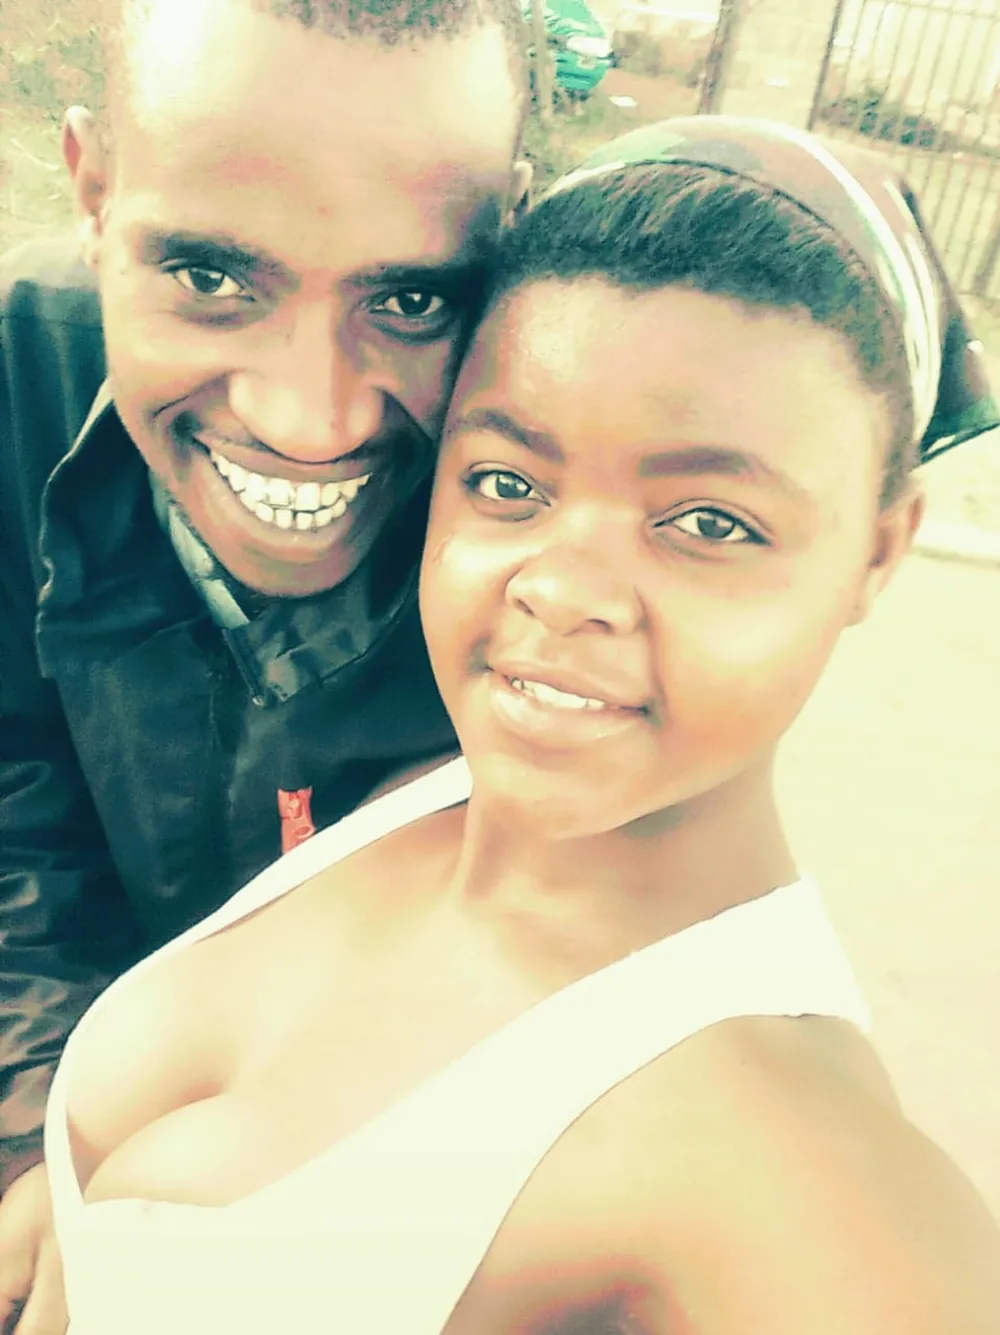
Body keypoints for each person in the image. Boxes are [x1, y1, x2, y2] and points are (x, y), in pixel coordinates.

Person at [45, 117, 1000, 1335]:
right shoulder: (413, 794)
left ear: (877, 551)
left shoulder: (805, 1191)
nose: (559, 589)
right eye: (509, 485)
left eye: (708, 523)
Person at [0, 0, 530, 1327]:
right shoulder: (20, 368)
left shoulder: (573, 489)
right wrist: (45, 1131)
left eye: (410, 299)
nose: (313, 419)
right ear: (93, 190)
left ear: (509, 228)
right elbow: (14, 790)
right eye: (210, 277)